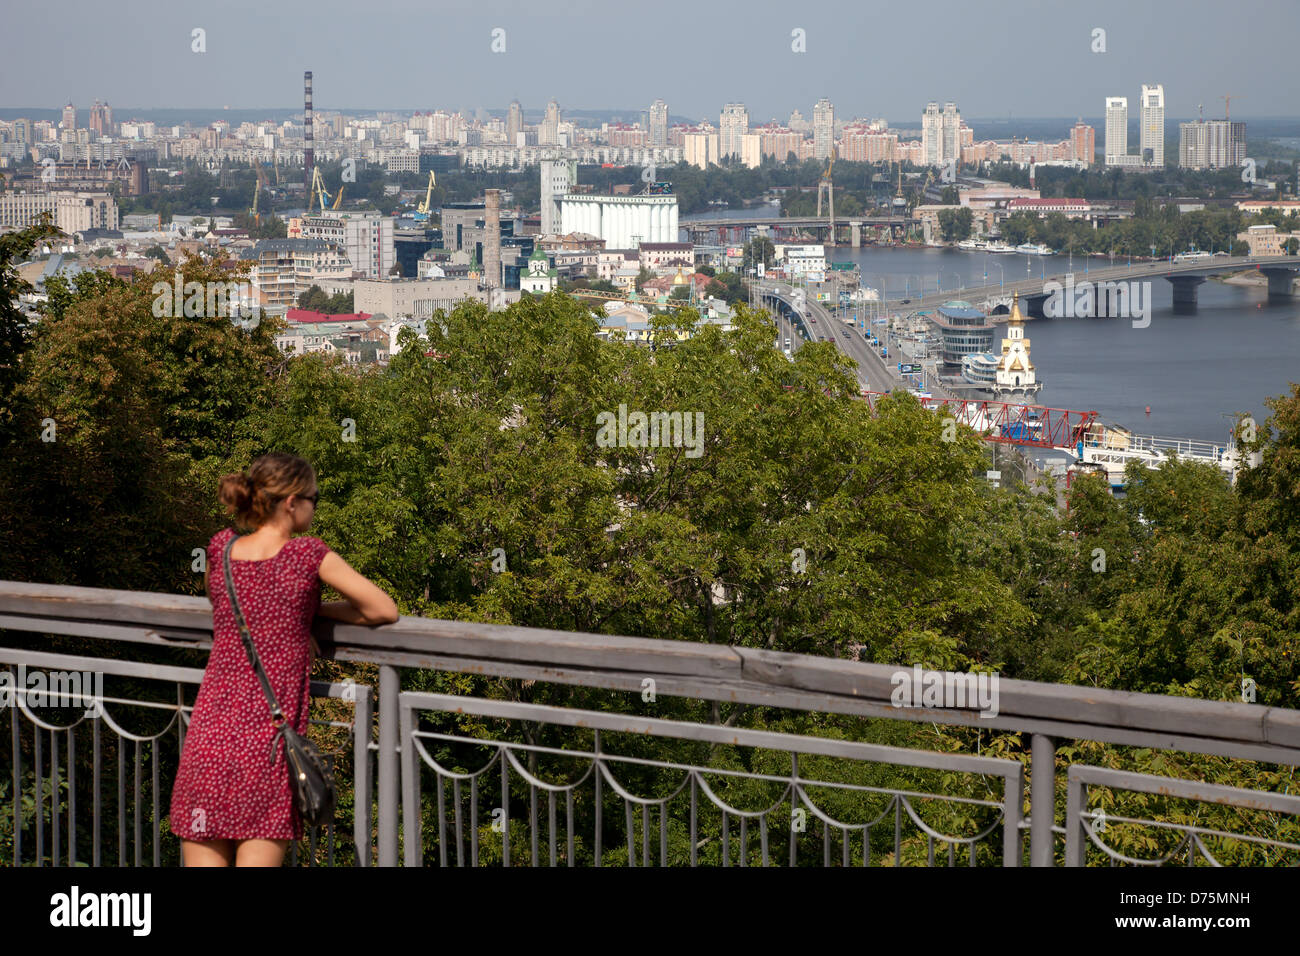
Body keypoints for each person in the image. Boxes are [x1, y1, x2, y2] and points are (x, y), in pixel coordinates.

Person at [169, 452, 399, 867]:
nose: (315, 505)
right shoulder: (308, 556)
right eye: (314, 497)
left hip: (209, 741)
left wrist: (302, 608)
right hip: (266, 748)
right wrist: (311, 607)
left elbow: (228, 605)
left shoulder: (221, 550)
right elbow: (383, 609)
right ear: (292, 502)